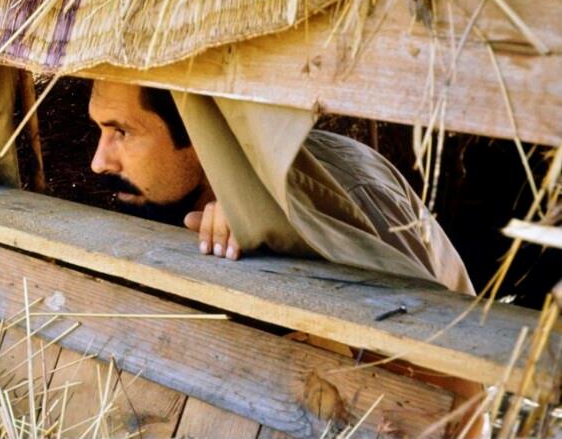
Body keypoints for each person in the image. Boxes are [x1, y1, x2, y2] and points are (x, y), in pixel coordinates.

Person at [88, 80, 487, 436]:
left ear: (199, 130)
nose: (99, 161)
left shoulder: (338, 193)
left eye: (122, 131)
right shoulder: (186, 208)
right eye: (100, 130)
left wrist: (281, 250)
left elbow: (458, 406)